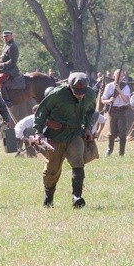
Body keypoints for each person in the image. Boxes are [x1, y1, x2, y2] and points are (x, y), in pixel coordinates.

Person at [32, 72, 97, 209]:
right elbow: (42, 111)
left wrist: (87, 128)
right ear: (69, 87)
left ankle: (77, 197)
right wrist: (38, 132)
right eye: (76, 92)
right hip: (56, 135)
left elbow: (90, 111)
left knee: (78, 163)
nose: (80, 95)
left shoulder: (90, 94)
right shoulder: (57, 94)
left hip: (75, 134)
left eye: (82, 92)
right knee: (52, 170)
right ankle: (48, 198)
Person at [101, 68, 132, 156]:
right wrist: (109, 101)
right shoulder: (109, 86)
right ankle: (110, 149)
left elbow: (126, 100)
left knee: (122, 133)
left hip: (122, 111)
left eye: (121, 75)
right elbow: (103, 99)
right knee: (111, 133)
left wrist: (119, 90)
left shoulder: (125, 86)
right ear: (114, 76)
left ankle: (121, 152)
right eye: (118, 75)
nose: (119, 77)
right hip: (112, 111)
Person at [0, 30, 23, 105]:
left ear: (11, 36)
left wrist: (1, 65)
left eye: (7, 36)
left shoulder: (13, 46)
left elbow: (13, 61)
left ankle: (6, 101)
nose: (5, 38)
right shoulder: (6, 45)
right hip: (3, 68)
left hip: (11, 69)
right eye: (4, 37)